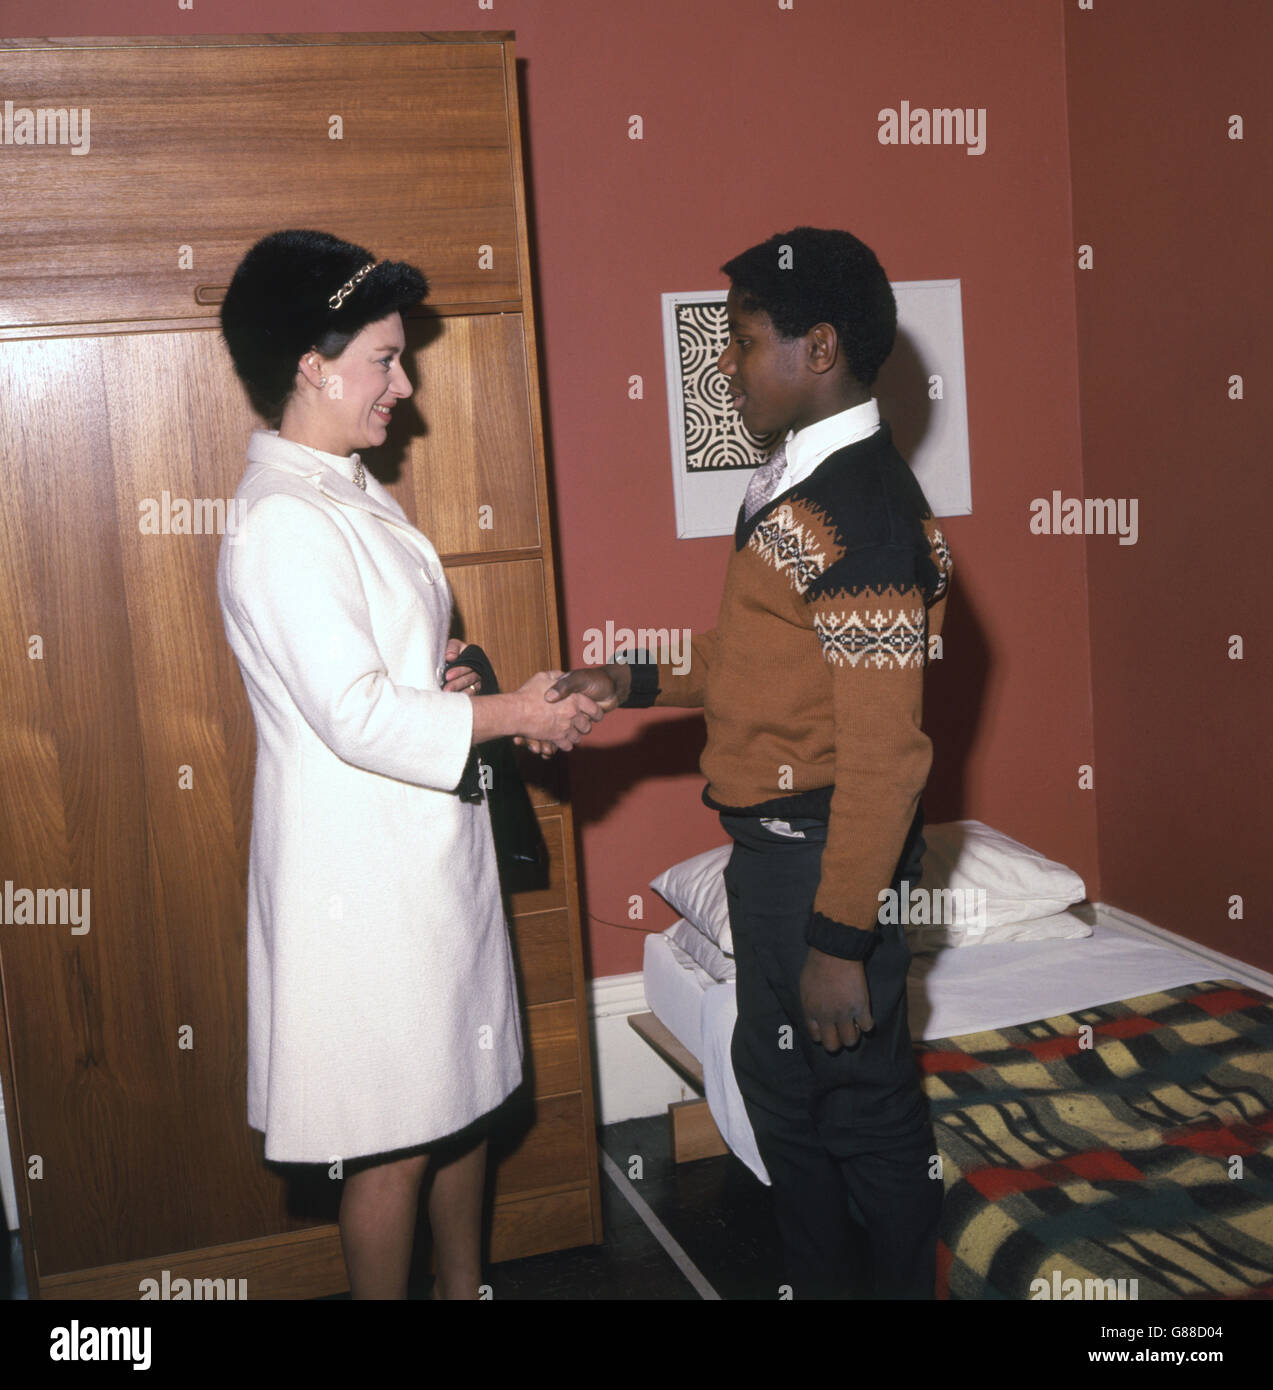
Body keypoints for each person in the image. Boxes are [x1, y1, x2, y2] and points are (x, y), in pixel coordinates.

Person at [543, 227, 952, 1299]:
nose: (724, 361)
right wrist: (623, 679)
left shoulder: (861, 513)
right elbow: (751, 660)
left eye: (742, 337)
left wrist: (836, 939)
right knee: (786, 1106)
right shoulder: (791, 489)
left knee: (863, 1118)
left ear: (818, 348)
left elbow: (886, 758)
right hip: (772, 861)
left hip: (825, 864)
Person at [216, 229, 602, 1299]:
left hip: (429, 860)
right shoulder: (281, 519)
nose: (406, 382)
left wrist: (459, 680)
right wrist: (516, 710)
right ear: (311, 361)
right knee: (391, 1137)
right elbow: (350, 712)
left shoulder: (347, 489)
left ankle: (464, 1290)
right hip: (361, 883)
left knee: (462, 1101)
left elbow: (383, 664)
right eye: (385, 357)